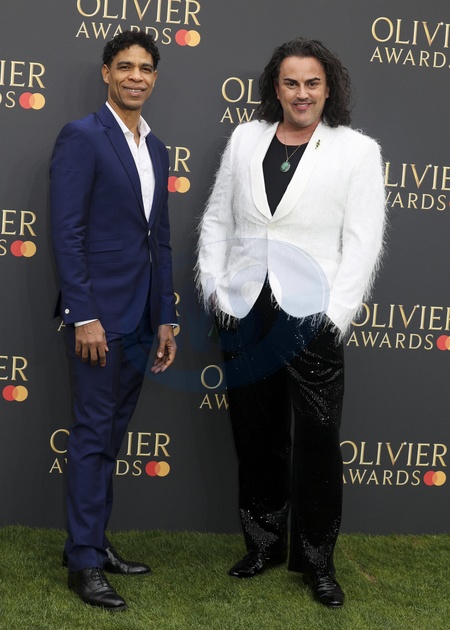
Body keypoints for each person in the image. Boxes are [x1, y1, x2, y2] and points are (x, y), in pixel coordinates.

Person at [196, 38, 385, 608]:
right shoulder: (245, 139)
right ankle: (263, 545)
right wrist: (216, 287)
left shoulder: (357, 151)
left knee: (319, 441)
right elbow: (217, 218)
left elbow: (362, 243)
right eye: (290, 82)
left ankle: (317, 562)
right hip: (245, 308)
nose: (301, 93)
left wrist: (335, 315)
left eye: (312, 83)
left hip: (312, 317)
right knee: (256, 435)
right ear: (274, 88)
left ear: (329, 88)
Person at [50, 30, 177, 612]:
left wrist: (167, 317)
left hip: (142, 318)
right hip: (98, 319)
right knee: (91, 435)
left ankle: (94, 542)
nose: (135, 77)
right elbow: (66, 232)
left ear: (155, 77)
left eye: (145, 68)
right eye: (124, 67)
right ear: (106, 73)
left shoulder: (157, 148)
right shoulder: (82, 136)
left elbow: (161, 240)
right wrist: (83, 315)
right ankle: (83, 562)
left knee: (111, 437)